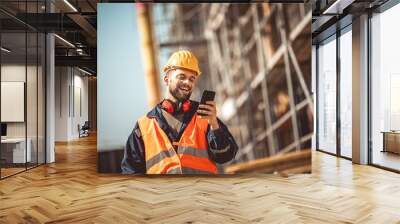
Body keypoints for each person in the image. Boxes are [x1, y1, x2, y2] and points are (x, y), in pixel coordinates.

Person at [121, 50, 238, 174]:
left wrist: (214, 124)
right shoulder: (143, 127)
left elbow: (226, 156)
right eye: (182, 77)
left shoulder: (205, 117)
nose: (187, 82)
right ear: (167, 80)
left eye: (192, 79)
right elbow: (130, 174)